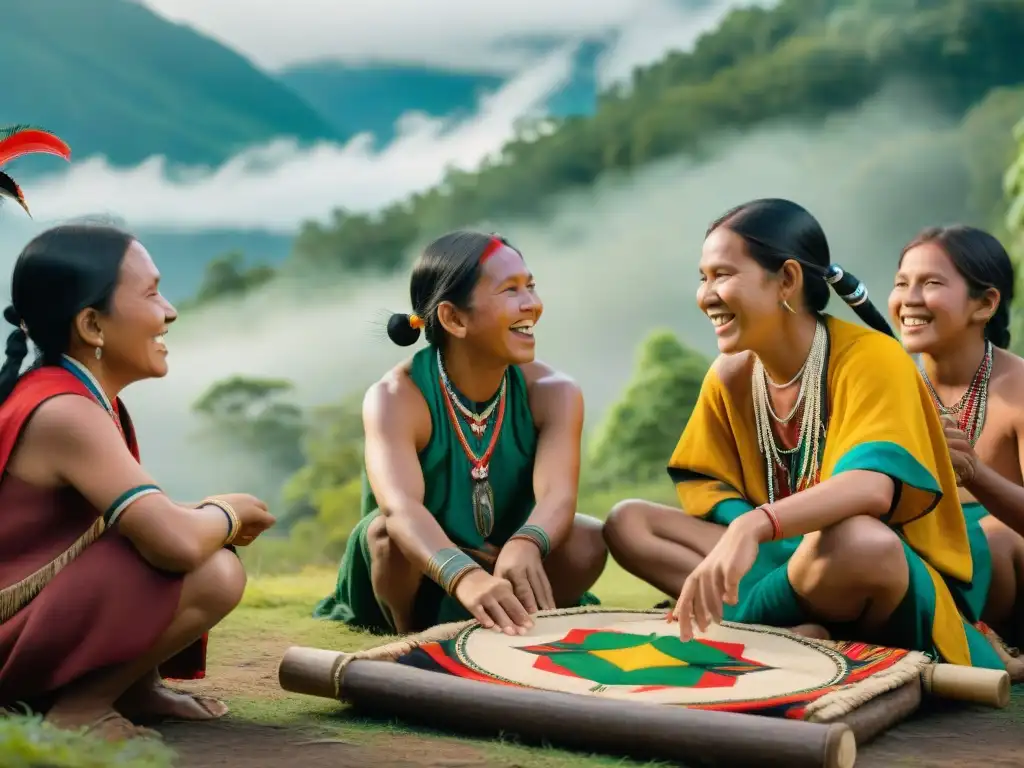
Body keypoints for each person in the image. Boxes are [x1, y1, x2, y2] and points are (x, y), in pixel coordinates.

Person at [603, 198, 1004, 670]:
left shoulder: (873, 357)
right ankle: (795, 632)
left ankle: (754, 629)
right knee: (628, 521)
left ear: (787, 280)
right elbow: (710, 485)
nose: (706, 294)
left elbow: (874, 487)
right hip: (776, 557)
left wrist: (754, 526)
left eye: (723, 275)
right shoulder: (730, 375)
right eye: (703, 277)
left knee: (860, 541)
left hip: (856, 564)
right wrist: (747, 529)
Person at [0, 224, 276, 741]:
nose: (169, 311)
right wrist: (226, 512)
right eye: (151, 293)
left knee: (179, 538)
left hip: (26, 625)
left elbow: (102, 527)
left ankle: (131, 688)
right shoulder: (66, 412)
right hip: (9, 638)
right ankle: (79, 711)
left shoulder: (78, 398)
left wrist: (203, 514)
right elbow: (170, 543)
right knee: (214, 569)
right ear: (92, 325)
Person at [315, 230, 607, 636]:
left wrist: (526, 543)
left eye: (531, 286)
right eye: (510, 290)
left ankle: (524, 622)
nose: (532, 305)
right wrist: (463, 575)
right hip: (419, 569)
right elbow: (402, 511)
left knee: (588, 537)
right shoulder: (395, 397)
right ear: (454, 318)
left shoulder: (554, 393)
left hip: (506, 559)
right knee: (385, 533)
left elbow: (558, 495)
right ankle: (414, 638)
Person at [890, 224, 1024, 647]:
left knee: (995, 536)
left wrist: (974, 473)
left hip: (1000, 571)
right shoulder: (892, 386)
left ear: (984, 304)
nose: (909, 299)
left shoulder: (1019, 389)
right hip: (914, 554)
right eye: (901, 283)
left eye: (930, 283)